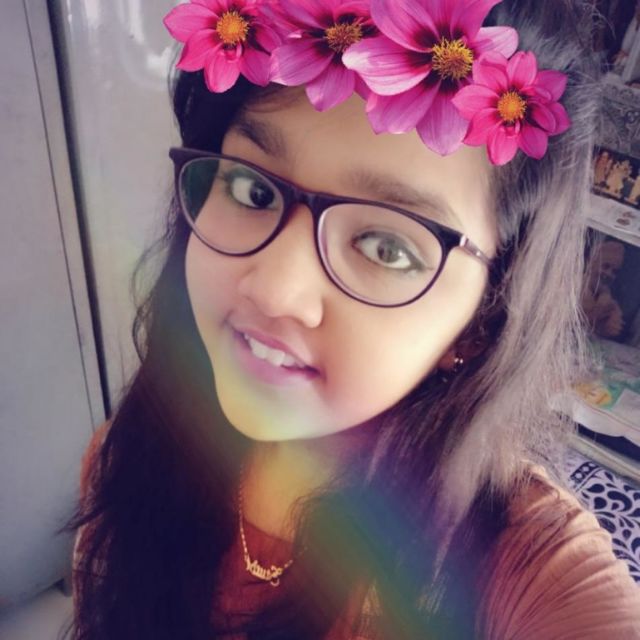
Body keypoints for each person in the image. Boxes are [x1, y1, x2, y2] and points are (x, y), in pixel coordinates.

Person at [61, 0, 640, 638]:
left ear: (484, 316)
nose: (275, 291)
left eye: (385, 247)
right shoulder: (126, 458)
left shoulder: (522, 569)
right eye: (254, 190)